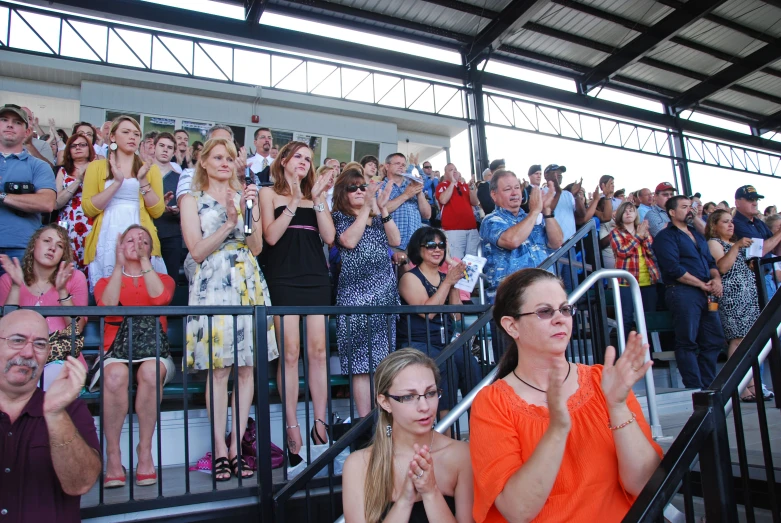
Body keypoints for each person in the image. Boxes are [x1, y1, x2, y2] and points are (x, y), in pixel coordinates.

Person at [469, 269, 662, 522]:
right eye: (545, 312)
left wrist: (617, 406)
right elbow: (518, 511)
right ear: (512, 326)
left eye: (565, 309)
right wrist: (558, 429)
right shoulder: (493, 402)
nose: (560, 319)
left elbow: (645, 485)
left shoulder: (604, 381)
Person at [181, 138, 277, 480]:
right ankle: (219, 448)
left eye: (228, 157)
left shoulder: (243, 195)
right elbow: (195, 251)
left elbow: (256, 245)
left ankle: (238, 446)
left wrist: (247, 212)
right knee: (219, 370)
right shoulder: (191, 200)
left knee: (248, 369)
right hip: (212, 283)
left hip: (248, 280)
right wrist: (228, 222)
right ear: (203, 162)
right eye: (217, 157)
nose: (224, 163)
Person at [259, 141, 335, 465]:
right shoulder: (268, 193)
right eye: (299, 156)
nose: (304, 162)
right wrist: (292, 200)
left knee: (318, 352)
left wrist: (317, 199)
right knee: (290, 353)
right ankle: (292, 427)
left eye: (309, 158)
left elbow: (329, 237)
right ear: (285, 159)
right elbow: (271, 237)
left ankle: (320, 425)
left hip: (315, 277)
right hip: (283, 277)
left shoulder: (315, 195)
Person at [341, 348, 474, 523]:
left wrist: (431, 492)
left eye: (430, 393)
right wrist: (405, 500)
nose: (424, 406)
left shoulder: (461, 455)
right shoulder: (359, 465)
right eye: (409, 397)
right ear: (385, 402)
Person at [92, 225, 176, 488]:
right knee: (116, 375)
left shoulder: (164, 279)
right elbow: (107, 306)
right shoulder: (105, 282)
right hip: (114, 351)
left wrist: (143, 261)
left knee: (150, 372)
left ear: (151, 249)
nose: (135, 243)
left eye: (142, 241)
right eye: (129, 240)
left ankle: (145, 451)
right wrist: (119, 266)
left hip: (154, 350)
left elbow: (159, 298)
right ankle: (114, 457)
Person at [0, 309, 101, 522]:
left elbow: (81, 483)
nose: (28, 353)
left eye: (39, 344)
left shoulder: (70, 410)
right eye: (17, 340)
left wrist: (56, 415)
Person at [332, 169, 400, 417]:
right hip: (356, 302)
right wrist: (365, 209)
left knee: (383, 365)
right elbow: (348, 241)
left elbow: (395, 239)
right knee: (361, 367)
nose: (360, 191)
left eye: (363, 186)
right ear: (343, 193)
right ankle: (365, 422)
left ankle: (383, 422)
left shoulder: (375, 216)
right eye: (353, 188)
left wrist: (382, 208)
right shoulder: (338, 217)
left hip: (384, 301)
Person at [398, 227, 481, 413]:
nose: (437, 249)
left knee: (470, 364)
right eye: (430, 245)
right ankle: (446, 432)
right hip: (417, 342)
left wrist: (453, 286)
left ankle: (478, 422)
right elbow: (428, 311)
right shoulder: (409, 278)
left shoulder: (446, 278)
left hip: (444, 341)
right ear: (418, 249)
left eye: (441, 245)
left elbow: (456, 315)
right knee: (446, 365)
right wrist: (448, 282)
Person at [81, 115, 167, 291]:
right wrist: (117, 183)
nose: (132, 137)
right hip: (107, 233)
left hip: (140, 230)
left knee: (142, 290)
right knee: (109, 291)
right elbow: (89, 209)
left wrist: (143, 180)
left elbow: (158, 211)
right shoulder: (96, 167)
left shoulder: (151, 169)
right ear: (112, 137)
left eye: (136, 134)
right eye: (126, 132)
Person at [0, 224, 89, 389]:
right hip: (19, 357)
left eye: (60, 246)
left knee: (54, 376)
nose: (52, 248)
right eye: (47, 241)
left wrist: (62, 291)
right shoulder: (9, 279)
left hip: (61, 359)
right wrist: (16, 286)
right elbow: (5, 327)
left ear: (63, 254)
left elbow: (77, 327)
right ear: (34, 245)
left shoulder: (75, 278)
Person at [653, 196, 725, 389]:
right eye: (684, 207)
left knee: (713, 340)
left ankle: (709, 386)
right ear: (672, 212)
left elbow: (710, 262)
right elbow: (673, 269)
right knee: (687, 341)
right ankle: (695, 388)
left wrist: (716, 279)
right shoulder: (665, 237)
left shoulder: (697, 234)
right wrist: (702, 284)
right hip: (683, 292)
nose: (689, 210)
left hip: (705, 292)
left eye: (690, 207)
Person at [706, 210, 764, 402]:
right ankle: (737, 385)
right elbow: (722, 267)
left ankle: (751, 382)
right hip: (732, 297)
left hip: (748, 296)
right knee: (737, 341)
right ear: (715, 225)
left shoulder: (735, 244)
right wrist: (737, 246)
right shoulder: (715, 242)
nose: (731, 225)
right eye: (725, 222)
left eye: (732, 222)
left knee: (749, 342)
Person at [480, 170, 562, 303]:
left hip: (545, 293)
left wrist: (546, 210)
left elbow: (556, 242)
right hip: (512, 299)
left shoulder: (530, 218)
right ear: (494, 195)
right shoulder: (491, 220)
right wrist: (535, 211)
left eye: (517, 187)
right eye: (507, 189)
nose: (514, 193)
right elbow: (512, 240)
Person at [0, 104, 56, 277]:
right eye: (4, 120)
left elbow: (47, 203)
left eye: (17, 122)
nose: (9, 125)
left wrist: (2, 195)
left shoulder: (39, 166)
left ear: (27, 132)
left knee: (18, 304)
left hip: (20, 249)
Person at [610, 201, 660, 332]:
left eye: (631, 210)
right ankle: (627, 350)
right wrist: (639, 236)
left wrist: (643, 235)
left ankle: (649, 349)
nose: (628, 213)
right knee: (626, 319)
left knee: (648, 319)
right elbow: (623, 252)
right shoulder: (616, 232)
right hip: (626, 283)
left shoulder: (644, 230)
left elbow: (652, 252)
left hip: (648, 280)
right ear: (620, 214)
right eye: (625, 211)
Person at [54, 132, 96, 273]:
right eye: (73, 146)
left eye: (82, 145)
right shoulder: (63, 171)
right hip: (67, 223)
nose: (78, 148)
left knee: (91, 265)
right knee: (66, 264)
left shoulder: (99, 168)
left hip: (92, 222)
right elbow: (56, 203)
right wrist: (78, 181)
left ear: (89, 148)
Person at [732, 185, 781, 302]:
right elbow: (759, 251)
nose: (755, 203)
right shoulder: (736, 223)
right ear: (737, 202)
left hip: (767, 276)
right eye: (750, 200)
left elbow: (775, 250)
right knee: (766, 318)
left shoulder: (758, 222)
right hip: (752, 280)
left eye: (756, 200)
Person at [151, 132, 185, 281]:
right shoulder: (143, 173)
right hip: (148, 232)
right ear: (154, 148)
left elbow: (186, 208)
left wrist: (178, 211)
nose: (165, 150)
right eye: (162, 146)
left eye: (170, 147)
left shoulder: (180, 177)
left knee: (170, 280)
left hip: (172, 234)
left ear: (174, 152)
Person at [381, 153, 432, 249]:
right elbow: (379, 210)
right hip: (390, 247)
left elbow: (427, 215)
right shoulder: (380, 187)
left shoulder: (411, 186)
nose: (401, 166)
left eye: (403, 165)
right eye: (397, 163)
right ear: (387, 166)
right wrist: (406, 195)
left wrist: (418, 190)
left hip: (416, 247)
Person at [436, 163, 480, 259]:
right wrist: (452, 182)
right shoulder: (442, 186)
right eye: (451, 170)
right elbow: (443, 200)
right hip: (453, 231)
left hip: (471, 229)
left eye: (455, 169)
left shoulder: (464, 186)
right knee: (456, 261)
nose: (454, 171)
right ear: (445, 174)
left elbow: (475, 202)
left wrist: (472, 188)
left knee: (473, 262)